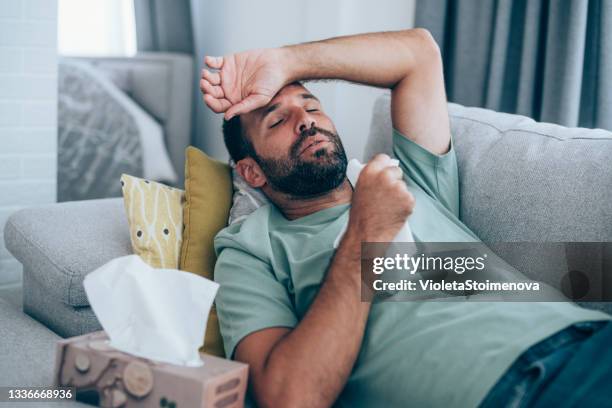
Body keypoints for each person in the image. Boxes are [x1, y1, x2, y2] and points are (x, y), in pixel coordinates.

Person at [200, 29, 612, 407]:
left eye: (311, 106)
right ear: (251, 172)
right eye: (277, 119)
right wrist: (367, 231)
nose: (305, 120)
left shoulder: (408, 181)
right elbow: (291, 396)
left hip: (592, 340)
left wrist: (285, 63)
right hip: (520, 391)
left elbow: (419, 54)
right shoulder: (249, 249)